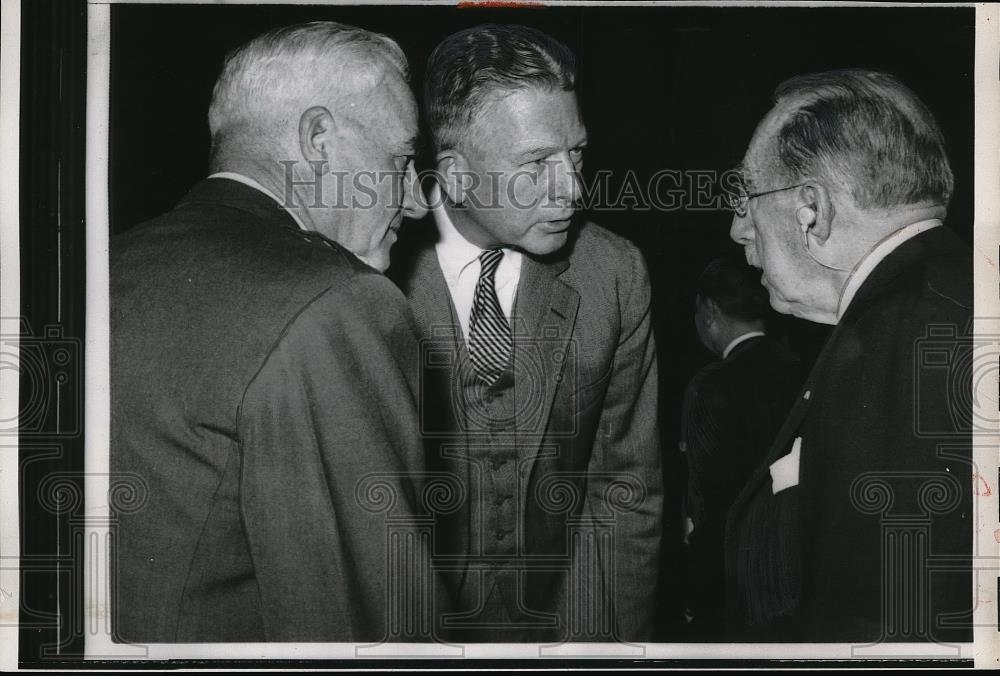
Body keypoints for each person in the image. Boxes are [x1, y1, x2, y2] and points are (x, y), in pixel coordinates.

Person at [110, 22, 434, 642]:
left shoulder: (96, 268)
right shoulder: (338, 303)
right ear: (319, 138)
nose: (416, 201)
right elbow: (368, 632)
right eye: (400, 160)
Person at [389, 24, 663, 642]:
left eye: (577, 155)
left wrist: (597, 651)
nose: (573, 188)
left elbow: (625, 493)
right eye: (536, 164)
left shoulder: (612, 274)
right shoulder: (365, 277)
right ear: (456, 176)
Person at [726, 69, 972, 642]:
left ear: (812, 209)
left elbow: (887, 626)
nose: (739, 229)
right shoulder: (948, 299)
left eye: (747, 197)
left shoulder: (902, 342)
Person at [681, 257, 801, 640]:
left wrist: (697, 588)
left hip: (735, 582)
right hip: (797, 571)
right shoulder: (805, 369)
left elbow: (708, 500)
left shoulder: (713, 383)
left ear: (710, 311)